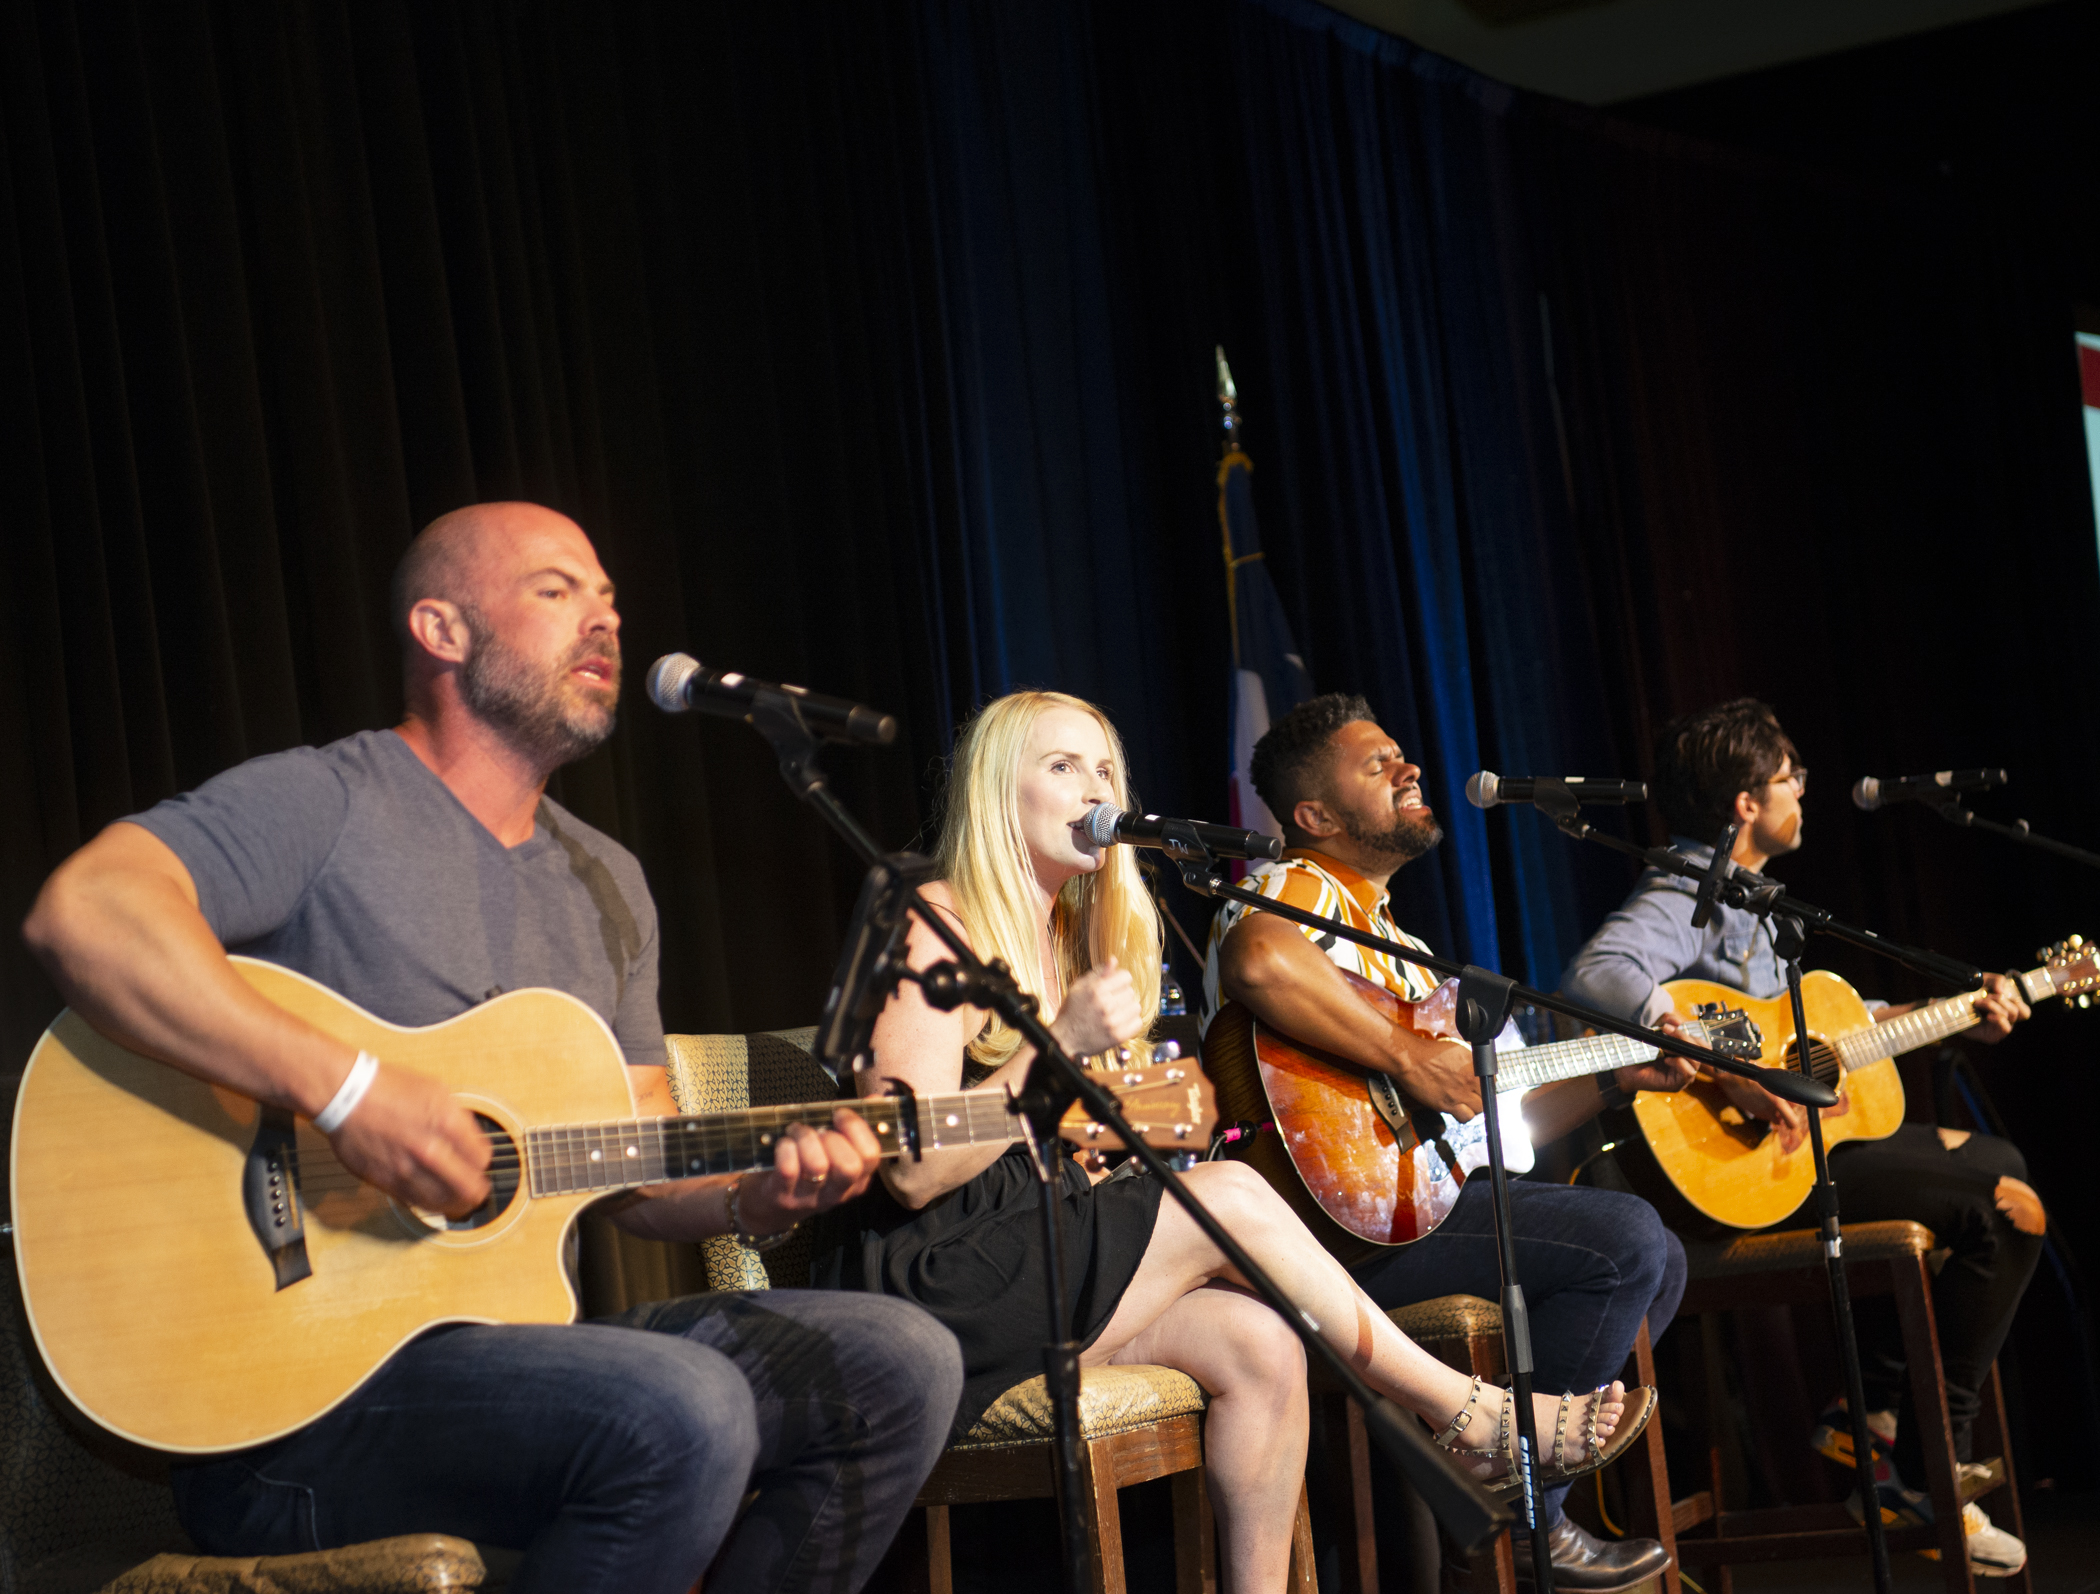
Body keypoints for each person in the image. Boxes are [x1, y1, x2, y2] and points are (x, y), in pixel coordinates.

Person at [21, 501, 963, 1594]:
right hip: (296, 1410)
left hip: (516, 1366)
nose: (605, 622)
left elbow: (640, 1163)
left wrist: (760, 1194)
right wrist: (349, 1093)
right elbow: (85, 910)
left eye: (609, 598)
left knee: (898, 1365)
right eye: (558, 591)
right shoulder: (327, 799)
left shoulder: (609, 882)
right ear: (442, 629)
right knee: (682, 1405)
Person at [815, 690, 1650, 1594]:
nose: (1095, 788)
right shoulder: (933, 915)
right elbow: (910, 1168)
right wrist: (1060, 1056)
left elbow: (1042, 1140)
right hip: (934, 1279)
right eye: (1061, 768)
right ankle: (1472, 1417)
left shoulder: (1071, 938)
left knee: (1261, 1342)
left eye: (1104, 769)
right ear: (992, 793)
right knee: (1232, 1196)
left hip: (1039, 1253)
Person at [1204, 693, 1683, 1591]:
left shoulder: (1407, 953)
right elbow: (1261, 964)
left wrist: (1618, 1078)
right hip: (1320, 1229)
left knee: (1658, 1257)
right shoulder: (1290, 887)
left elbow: (1503, 1130)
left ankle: (1490, 1479)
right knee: (1625, 1243)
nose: (1410, 768)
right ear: (1314, 816)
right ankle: (1524, 1509)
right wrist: (1409, 1063)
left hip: (1415, 1206)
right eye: (1376, 764)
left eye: (1402, 756)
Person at [1560, 697, 2038, 1578]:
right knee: (2005, 1197)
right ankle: (1930, 1455)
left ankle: (1893, 1433)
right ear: (1746, 802)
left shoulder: (1763, 906)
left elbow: (1832, 1027)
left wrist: (1957, 1017)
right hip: (1739, 1175)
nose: (1803, 796)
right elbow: (1600, 972)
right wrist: (1715, 1062)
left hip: (1810, 1158)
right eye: (1790, 780)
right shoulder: (1684, 890)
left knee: (2007, 1188)